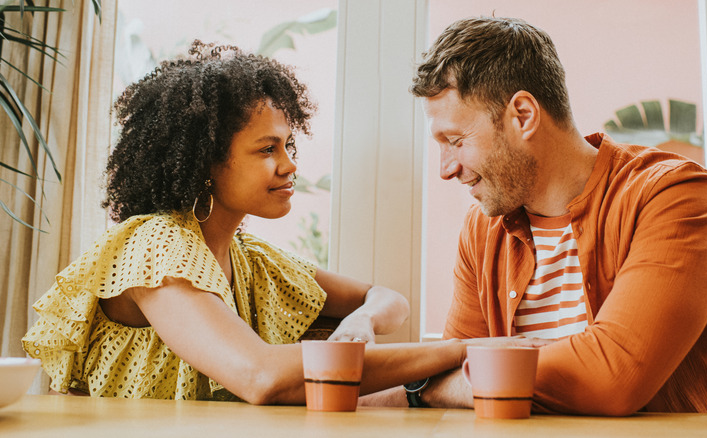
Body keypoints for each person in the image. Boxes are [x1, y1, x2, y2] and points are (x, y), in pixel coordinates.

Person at [21, 41, 496, 404]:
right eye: (267, 149)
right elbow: (260, 375)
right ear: (205, 161)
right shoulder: (157, 245)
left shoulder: (251, 260)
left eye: (289, 146)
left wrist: (362, 320)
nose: (289, 165)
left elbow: (389, 299)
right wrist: (463, 352)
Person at [363, 17, 707, 414]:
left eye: (455, 141)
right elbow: (448, 369)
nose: (446, 169)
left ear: (523, 115)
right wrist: (436, 385)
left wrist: (430, 390)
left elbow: (612, 378)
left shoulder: (674, 196)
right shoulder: (482, 229)